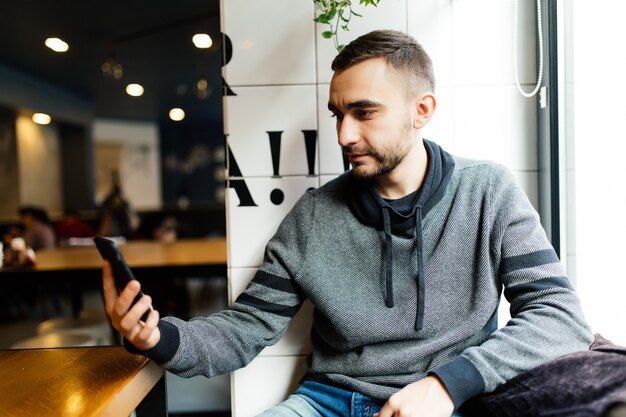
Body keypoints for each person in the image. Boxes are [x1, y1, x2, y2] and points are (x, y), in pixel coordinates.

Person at [103, 30, 593, 417]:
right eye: (338, 114)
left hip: (446, 404)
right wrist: (156, 337)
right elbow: (244, 329)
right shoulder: (314, 217)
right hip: (326, 402)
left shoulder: (488, 191)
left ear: (422, 110)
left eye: (364, 113)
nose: (344, 134)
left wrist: (449, 384)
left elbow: (559, 316)